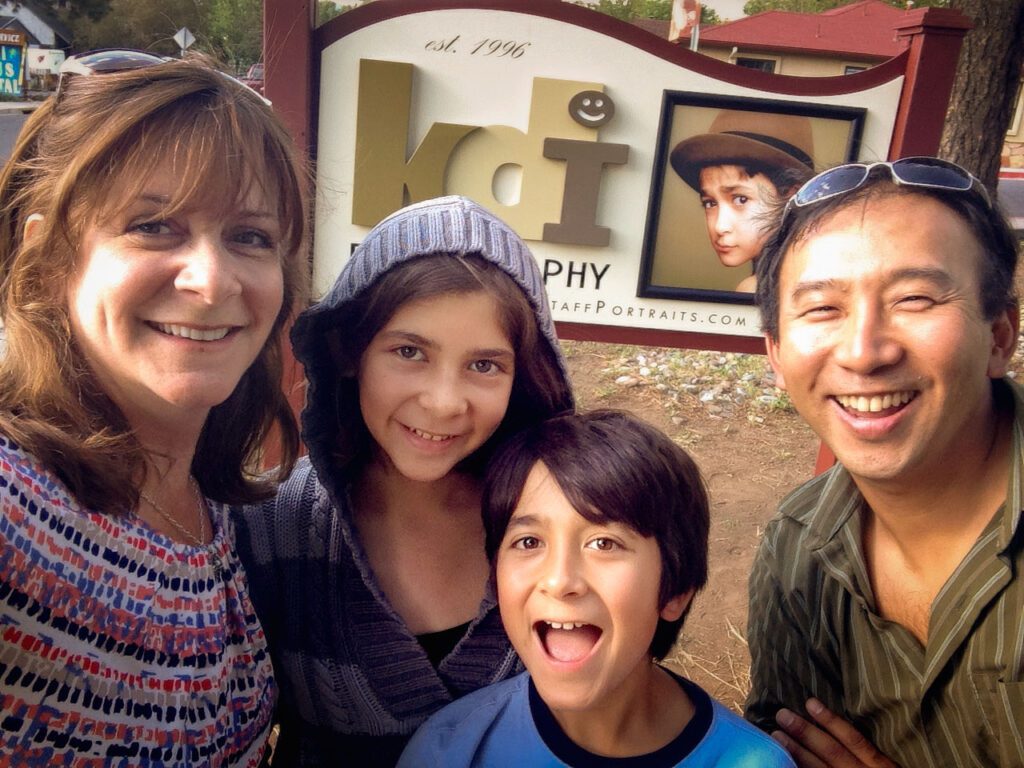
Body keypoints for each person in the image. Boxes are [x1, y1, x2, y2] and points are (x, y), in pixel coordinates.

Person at [0, 51, 309, 765]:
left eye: (250, 237)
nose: (211, 280)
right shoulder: (17, 507)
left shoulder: (219, 509)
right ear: (49, 262)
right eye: (154, 225)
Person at [233, 195, 575, 766]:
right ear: (348, 351)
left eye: (484, 365)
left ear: (524, 376)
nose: (443, 402)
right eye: (410, 351)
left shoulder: (562, 524)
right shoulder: (267, 526)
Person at [746, 157, 1024, 768]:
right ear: (775, 353)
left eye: (916, 299)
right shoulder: (798, 547)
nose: (865, 351)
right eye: (821, 309)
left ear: (1000, 336)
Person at [399, 410, 795, 767]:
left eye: (604, 544)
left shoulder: (752, 763)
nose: (559, 581)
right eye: (529, 542)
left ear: (676, 591)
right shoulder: (450, 750)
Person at [670, 110, 814, 292]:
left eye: (740, 199)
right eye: (710, 203)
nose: (720, 227)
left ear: (791, 196)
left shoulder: (756, 289)